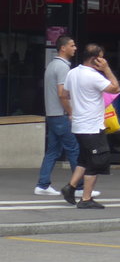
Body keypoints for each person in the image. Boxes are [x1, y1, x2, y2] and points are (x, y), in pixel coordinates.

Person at [60, 44, 119, 210]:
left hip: (79, 124)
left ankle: (70, 187)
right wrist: (107, 69)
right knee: (96, 161)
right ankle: (86, 198)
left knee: (84, 159)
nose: (104, 61)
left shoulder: (72, 72)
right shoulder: (94, 76)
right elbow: (115, 88)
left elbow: (64, 95)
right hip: (92, 126)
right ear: (96, 59)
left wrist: (71, 112)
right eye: (102, 58)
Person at [34, 35, 80, 196]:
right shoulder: (62, 67)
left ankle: (43, 184)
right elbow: (62, 94)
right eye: (72, 45)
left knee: (53, 151)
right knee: (74, 149)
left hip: (52, 114)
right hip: (61, 115)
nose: (75, 48)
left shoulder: (52, 65)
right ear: (63, 48)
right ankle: (79, 187)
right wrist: (71, 112)